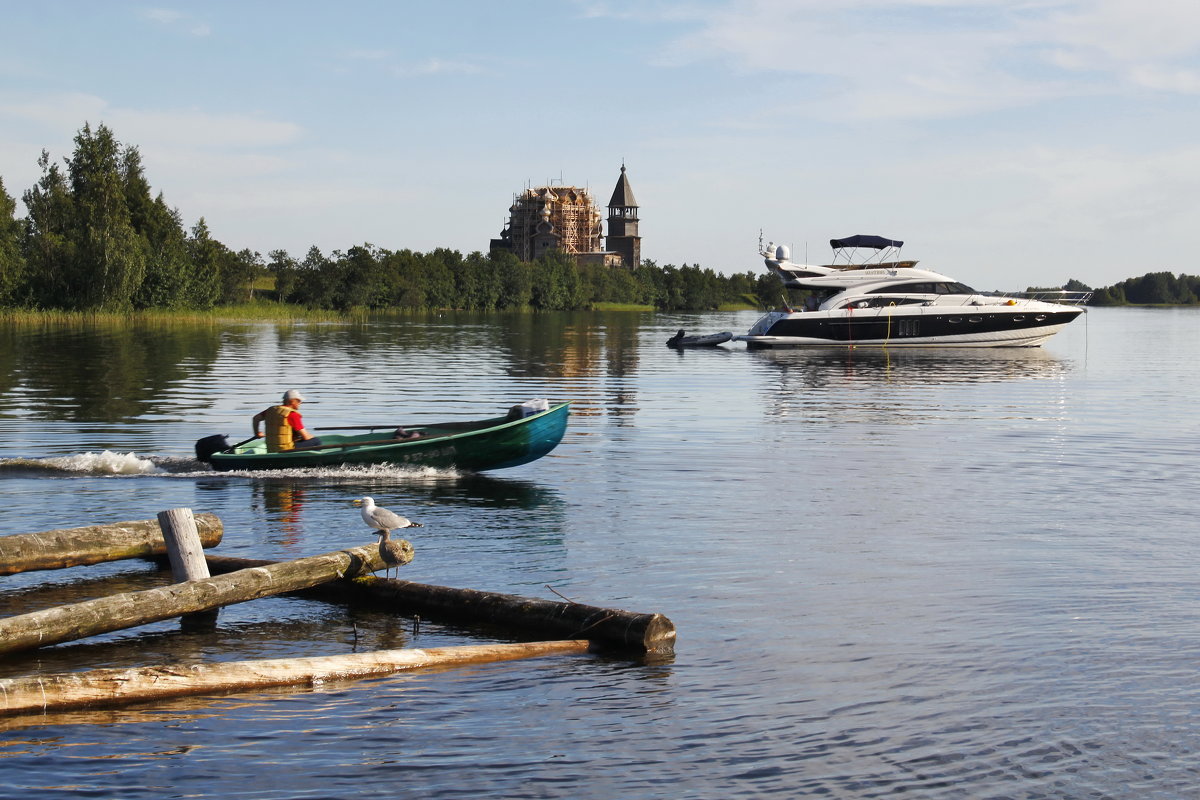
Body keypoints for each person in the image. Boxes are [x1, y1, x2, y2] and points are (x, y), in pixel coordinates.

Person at [252, 389, 322, 452]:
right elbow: (306, 437)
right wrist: (313, 437)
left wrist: (257, 433)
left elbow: (255, 419)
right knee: (316, 441)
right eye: (299, 401)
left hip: (271, 448)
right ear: (292, 401)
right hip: (287, 449)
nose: (300, 403)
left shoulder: (270, 410)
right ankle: (316, 463)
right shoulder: (292, 414)